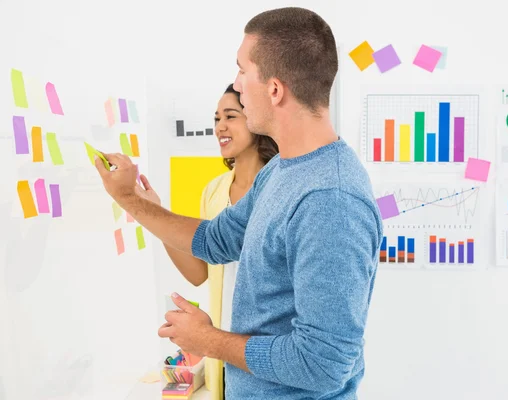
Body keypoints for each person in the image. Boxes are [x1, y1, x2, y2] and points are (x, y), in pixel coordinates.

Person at [94, 6, 383, 399]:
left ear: (274, 89)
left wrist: (209, 340)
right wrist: (131, 200)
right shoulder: (282, 168)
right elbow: (215, 240)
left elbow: (323, 364)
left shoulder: (329, 200)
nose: (237, 84)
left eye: (242, 71)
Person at [140, 83, 278, 400]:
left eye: (231, 116)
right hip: (221, 340)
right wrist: (155, 214)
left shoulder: (279, 184)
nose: (220, 127)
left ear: (257, 119)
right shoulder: (214, 191)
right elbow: (199, 272)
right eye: (216, 119)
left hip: (266, 343)